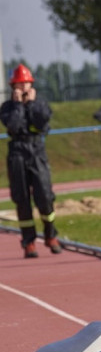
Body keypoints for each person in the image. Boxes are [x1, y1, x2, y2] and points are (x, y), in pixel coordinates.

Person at [0, 64, 62, 258]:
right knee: (22, 198)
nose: (24, 86)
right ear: (13, 85)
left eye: (26, 82)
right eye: (20, 83)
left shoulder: (41, 104)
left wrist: (32, 104)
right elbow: (12, 126)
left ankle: (51, 235)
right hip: (17, 152)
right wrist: (19, 105)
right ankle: (29, 242)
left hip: (37, 151)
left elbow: (41, 124)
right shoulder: (7, 107)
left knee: (44, 195)